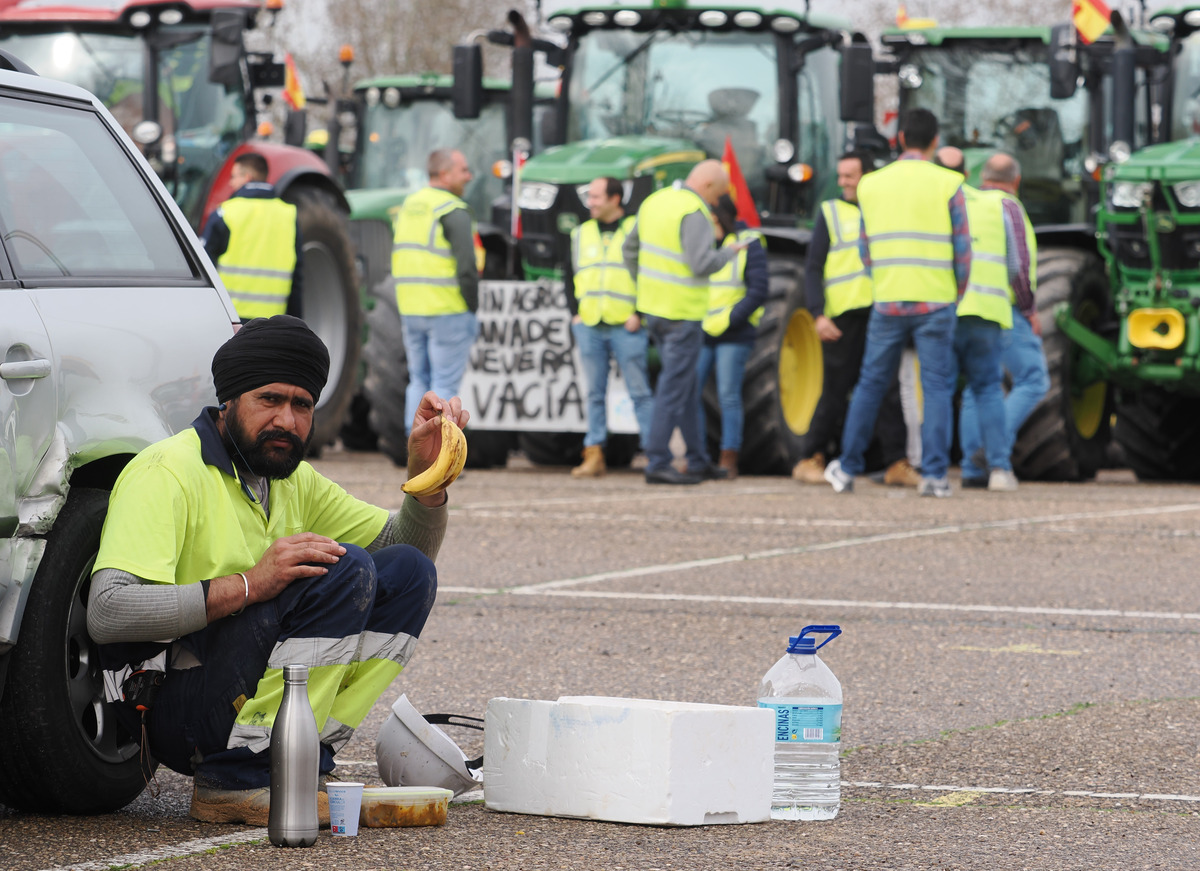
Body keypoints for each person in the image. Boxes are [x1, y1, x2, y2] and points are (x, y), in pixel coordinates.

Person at [87, 315, 462, 826]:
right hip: (169, 707)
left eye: (301, 405)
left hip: (231, 688)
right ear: (230, 401)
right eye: (269, 400)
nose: (286, 420)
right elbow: (108, 613)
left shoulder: (289, 478)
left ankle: (300, 762)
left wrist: (427, 477)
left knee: (408, 572)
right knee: (344, 569)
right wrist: (248, 585)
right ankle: (238, 777)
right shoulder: (166, 472)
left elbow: (405, 547)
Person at [824, 109, 971, 497]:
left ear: (901, 138)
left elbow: (865, 249)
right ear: (935, 141)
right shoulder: (950, 183)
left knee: (870, 384)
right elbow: (962, 249)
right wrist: (956, 291)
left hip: (887, 300)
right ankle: (936, 476)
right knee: (937, 387)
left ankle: (848, 468)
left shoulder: (872, 185)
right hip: (936, 300)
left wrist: (884, 280)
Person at [792, 151, 920, 489]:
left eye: (850, 175)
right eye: (841, 176)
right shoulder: (830, 213)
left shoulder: (883, 213)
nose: (843, 182)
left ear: (868, 176)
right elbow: (813, 268)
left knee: (889, 389)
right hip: (843, 318)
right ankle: (810, 457)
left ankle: (895, 462)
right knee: (835, 389)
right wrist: (818, 314)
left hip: (882, 313)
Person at [622, 160, 743, 485]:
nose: (716, 203)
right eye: (717, 196)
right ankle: (658, 460)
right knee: (674, 388)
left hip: (654, 311)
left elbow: (628, 249)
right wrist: (730, 251)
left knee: (687, 387)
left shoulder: (655, 202)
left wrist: (643, 286)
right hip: (683, 314)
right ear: (706, 187)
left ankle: (698, 459)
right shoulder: (694, 211)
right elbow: (701, 263)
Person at [940, 149, 1046, 490]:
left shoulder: (963, 203)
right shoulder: (1008, 206)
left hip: (955, 305)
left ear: (980, 176)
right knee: (1033, 378)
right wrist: (1029, 309)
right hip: (999, 308)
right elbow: (1018, 266)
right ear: (1016, 181)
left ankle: (972, 469)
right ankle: (992, 450)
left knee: (974, 389)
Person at [565, 176, 654, 477]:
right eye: (590, 196)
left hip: (625, 323)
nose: (590, 202)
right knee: (594, 392)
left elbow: (648, 273)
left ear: (616, 199)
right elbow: (569, 275)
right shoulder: (581, 233)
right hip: (590, 322)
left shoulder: (634, 231)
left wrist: (639, 313)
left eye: (596, 197)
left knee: (639, 391)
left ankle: (655, 454)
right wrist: (575, 313)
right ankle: (594, 453)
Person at [392, 148, 479, 435]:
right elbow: (467, 266)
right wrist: (472, 305)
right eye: (463, 170)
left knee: (419, 380)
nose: (468, 176)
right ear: (444, 174)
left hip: (410, 308)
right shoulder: (452, 209)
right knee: (444, 384)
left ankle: (413, 442)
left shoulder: (410, 205)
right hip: (447, 310)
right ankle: (437, 451)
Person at [693, 193, 769, 480]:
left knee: (728, 395)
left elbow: (758, 290)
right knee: (692, 392)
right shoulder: (702, 245)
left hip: (734, 332)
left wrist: (732, 319)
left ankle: (729, 456)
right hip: (703, 329)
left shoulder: (749, 242)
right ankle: (697, 454)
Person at [202, 153, 303, 322]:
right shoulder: (289, 215)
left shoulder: (226, 213)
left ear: (247, 177)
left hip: (230, 319)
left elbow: (204, 267)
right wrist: (295, 324)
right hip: (274, 322)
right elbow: (297, 278)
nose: (231, 183)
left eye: (234, 177)